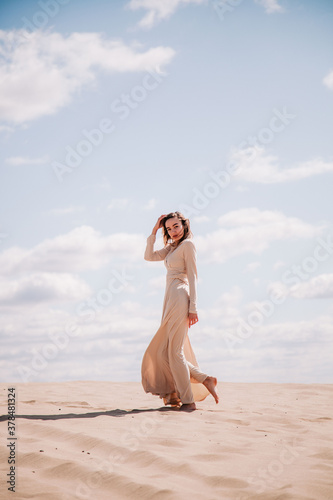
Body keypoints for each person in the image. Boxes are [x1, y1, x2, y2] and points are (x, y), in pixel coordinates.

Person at [141, 211, 219, 412]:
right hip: (169, 298)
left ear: (184, 225)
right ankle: (205, 379)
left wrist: (193, 308)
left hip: (179, 296)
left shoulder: (188, 245)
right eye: (169, 228)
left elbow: (193, 277)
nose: (173, 231)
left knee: (173, 351)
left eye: (176, 226)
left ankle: (188, 401)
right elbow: (148, 256)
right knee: (167, 351)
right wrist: (154, 231)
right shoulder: (172, 248)